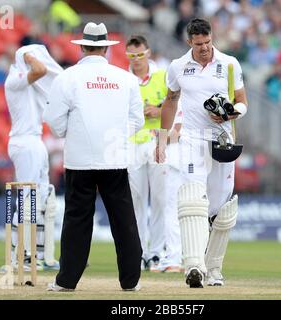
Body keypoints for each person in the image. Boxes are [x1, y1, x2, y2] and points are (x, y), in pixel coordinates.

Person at [44, 22, 144, 292]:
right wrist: (116, 138)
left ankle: (66, 281)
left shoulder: (67, 77)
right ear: (104, 49)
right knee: (124, 219)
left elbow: (54, 122)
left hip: (80, 158)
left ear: (83, 48)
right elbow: (137, 120)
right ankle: (131, 281)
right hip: (115, 158)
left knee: (77, 218)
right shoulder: (126, 78)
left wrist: (71, 131)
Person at [156, 18, 248, 288]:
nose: (205, 48)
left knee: (221, 208)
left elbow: (243, 102)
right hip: (193, 140)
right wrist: (162, 140)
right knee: (193, 198)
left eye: (208, 42)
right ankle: (193, 266)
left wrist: (232, 112)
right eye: (199, 44)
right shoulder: (178, 67)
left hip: (222, 140)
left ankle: (214, 269)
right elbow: (170, 101)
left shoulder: (229, 63)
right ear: (190, 42)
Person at [4, 44, 63, 272]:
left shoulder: (30, 83)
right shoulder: (15, 78)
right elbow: (39, 69)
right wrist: (26, 54)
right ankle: (19, 255)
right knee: (28, 198)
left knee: (42, 198)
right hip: (23, 141)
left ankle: (40, 255)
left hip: (35, 140)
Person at [125, 35, 168, 271]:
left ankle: (156, 252)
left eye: (140, 54)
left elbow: (175, 106)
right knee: (137, 200)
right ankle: (139, 252)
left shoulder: (162, 75)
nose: (137, 60)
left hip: (156, 142)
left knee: (160, 198)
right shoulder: (124, 79)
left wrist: (158, 110)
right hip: (132, 144)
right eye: (132, 55)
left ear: (148, 53)